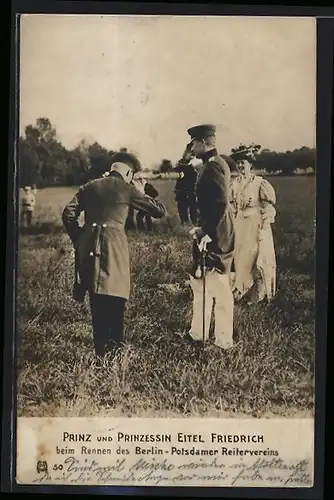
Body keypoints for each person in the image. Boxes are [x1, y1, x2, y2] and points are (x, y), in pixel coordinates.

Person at [62, 151, 167, 358]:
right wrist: (141, 189)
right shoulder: (127, 188)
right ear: (128, 172)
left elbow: (68, 213)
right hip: (113, 247)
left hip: (90, 248)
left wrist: (80, 238)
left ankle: (101, 352)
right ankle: (115, 353)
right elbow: (159, 211)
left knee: (96, 297)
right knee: (115, 296)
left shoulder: (90, 186)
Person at [180, 124, 236, 350]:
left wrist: (206, 231)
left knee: (219, 287)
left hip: (216, 234)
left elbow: (220, 204)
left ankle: (223, 341)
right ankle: (198, 333)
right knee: (201, 282)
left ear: (203, 142)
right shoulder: (213, 164)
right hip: (212, 232)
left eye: (193, 143)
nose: (191, 148)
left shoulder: (213, 166)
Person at [229, 156, 277, 304]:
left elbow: (268, 207)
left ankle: (260, 295)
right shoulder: (234, 184)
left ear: (250, 165)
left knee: (257, 256)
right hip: (240, 224)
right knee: (240, 258)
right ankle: (242, 290)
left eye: (243, 162)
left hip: (255, 223)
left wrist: (266, 224)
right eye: (238, 163)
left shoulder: (259, 183)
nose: (240, 165)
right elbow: (231, 206)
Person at [173, 159, 198, 226]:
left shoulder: (193, 174)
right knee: (184, 211)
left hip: (190, 194)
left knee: (192, 211)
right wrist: (177, 189)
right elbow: (179, 183)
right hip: (184, 194)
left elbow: (194, 184)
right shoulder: (183, 174)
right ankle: (186, 223)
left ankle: (192, 223)